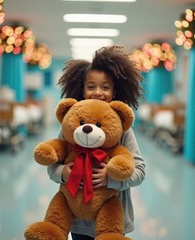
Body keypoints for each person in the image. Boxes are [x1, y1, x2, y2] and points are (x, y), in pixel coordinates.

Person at [47, 45, 146, 240]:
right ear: (82, 91)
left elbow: (140, 171)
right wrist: (63, 173)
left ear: (114, 91)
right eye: (91, 86)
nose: (98, 92)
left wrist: (112, 179)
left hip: (113, 221)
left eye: (105, 87)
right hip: (78, 222)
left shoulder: (123, 131)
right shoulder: (71, 128)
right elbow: (52, 166)